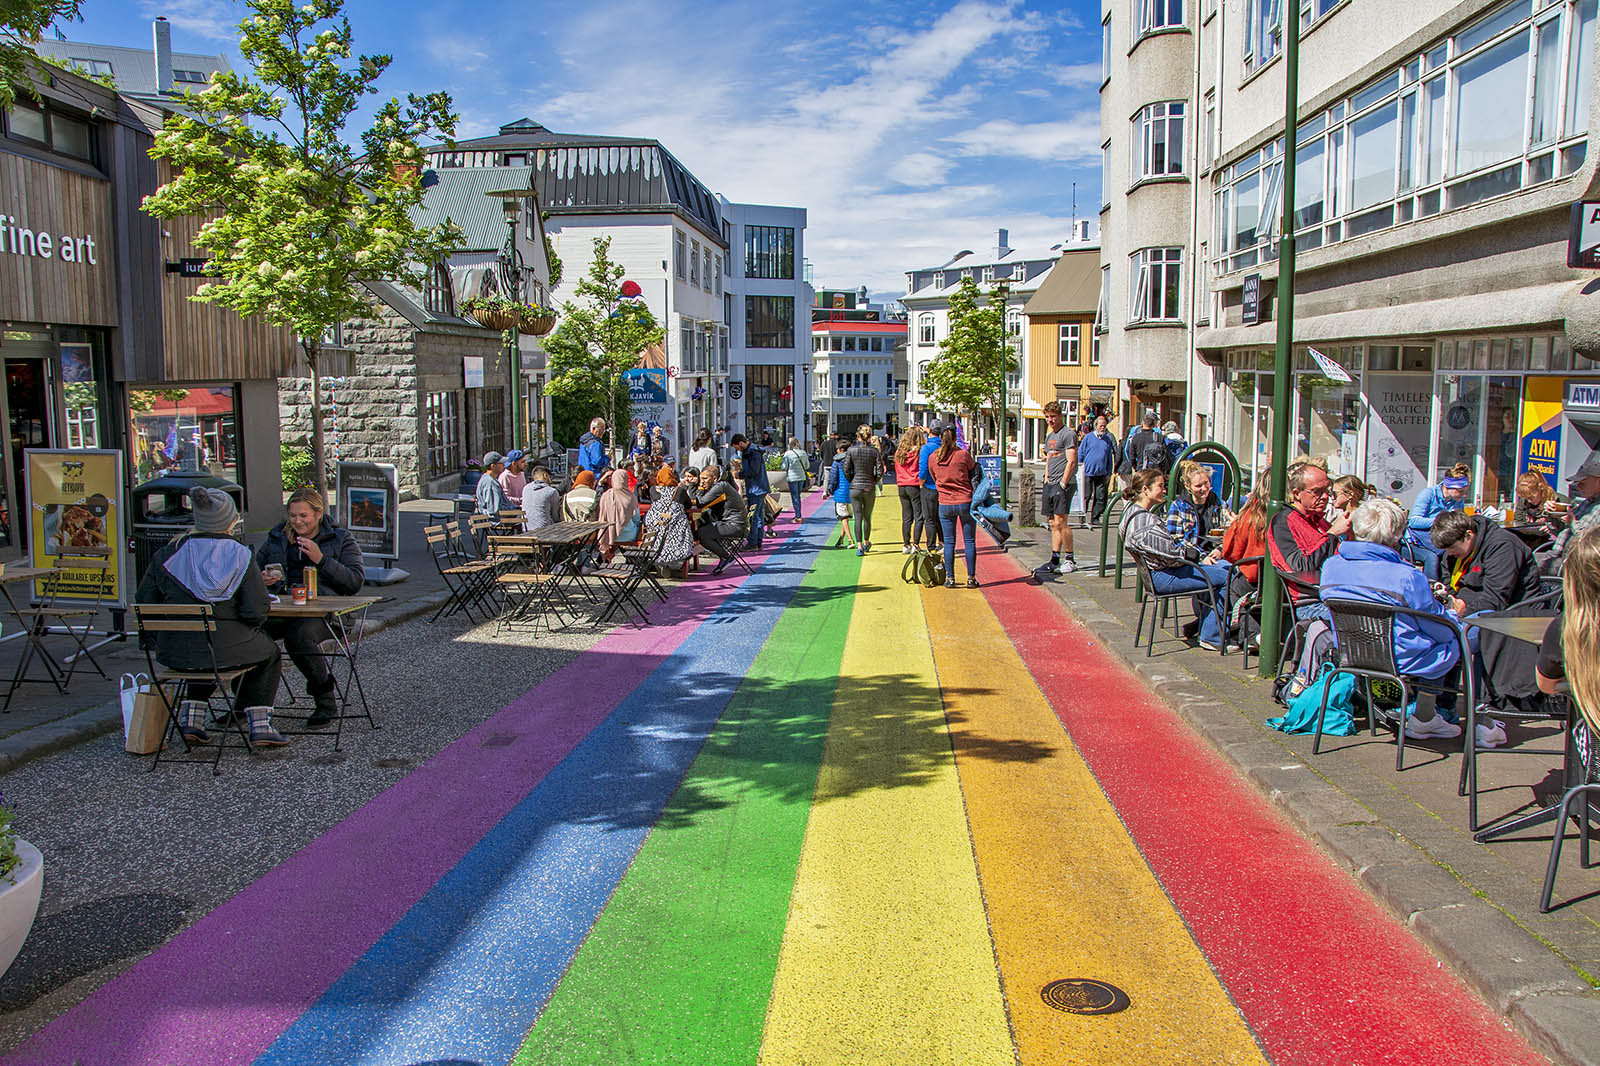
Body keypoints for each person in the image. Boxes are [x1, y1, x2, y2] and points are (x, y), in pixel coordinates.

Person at [136, 486, 287, 747]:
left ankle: (192, 720)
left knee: (203, 649)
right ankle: (260, 724)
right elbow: (255, 610)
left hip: (174, 651)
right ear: (230, 520)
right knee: (268, 652)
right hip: (223, 651)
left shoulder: (167, 553)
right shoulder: (239, 555)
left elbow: (145, 600)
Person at [1320, 498, 1465, 740]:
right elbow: (1439, 629)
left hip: (1351, 652)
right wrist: (1453, 615)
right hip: (1400, 658)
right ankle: (1429, 715)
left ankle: (1422, 714)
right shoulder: (1407, 575)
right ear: (1397, 536)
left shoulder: (1331, 566)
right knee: (1454, 639)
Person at [255, 486, 364, 728]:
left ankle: (325, 700)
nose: (297, 521)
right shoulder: (277, 537)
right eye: (293, 516)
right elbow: (252, 571)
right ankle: (249, 703)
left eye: (303, 516)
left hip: (326, 614)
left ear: (318, 514)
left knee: (299, 636)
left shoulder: (340, 538)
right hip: (284, 608)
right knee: (247, 631)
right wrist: (262, 578)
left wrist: (321, 560)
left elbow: (354, 582)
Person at [1119, 469, 1232, 650]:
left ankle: (1203, 624)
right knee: (1227, 577)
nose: (1165, 490)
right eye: (1161, 486)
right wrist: (1197, 557)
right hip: (1164, 575)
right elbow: (1173, 555)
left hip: (1155, 573)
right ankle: (1212, 635)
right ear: (1146, 490)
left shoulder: (1130, 513)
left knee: (1219, 571)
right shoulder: (1146, 524)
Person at [1268, 462, 1348, 621]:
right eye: (1317, 492)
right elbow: (1300, 567)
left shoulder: (1319, 520)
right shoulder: (1284, 521)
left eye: (1327, 490)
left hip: (1336, 595)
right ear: (1297, 493)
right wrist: (1332, 534)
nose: (1325, 497)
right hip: (1310, 603)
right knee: (1364, 623)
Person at [1431, 509, 1542, 616]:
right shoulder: (1455, 548)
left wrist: (1463, 611)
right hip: (1470, 605)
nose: (1449, 554)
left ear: (1468, 535)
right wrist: (1451, 601)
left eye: (1452, 548)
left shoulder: (1502, 547)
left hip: (1511, 613)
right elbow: (1448, 582)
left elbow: (1495, 599)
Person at [928, 424, 980, 588]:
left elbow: (933, 477)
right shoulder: (963, 455)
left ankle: (950, 578)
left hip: (945, 502)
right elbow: (973, 469)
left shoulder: (933, 457)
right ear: (956, 438)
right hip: (965, 501)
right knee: (969, 541)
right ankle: (971, 578)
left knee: (949, 542)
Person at [1037, 401, 1079, 575]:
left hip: (1063, 483)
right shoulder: (1050, 436)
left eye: (1053, 416)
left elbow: (1072, 460)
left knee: (1062, 521)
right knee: (1053, 523)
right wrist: (1047, 479)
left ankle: (1070, 558)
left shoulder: (1068, 434)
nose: (1050, 420)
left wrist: (1063, 482)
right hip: (1050, 482)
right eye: (1047, 417)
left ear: (1060, 416)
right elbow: (1049, 458)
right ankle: (1054, 558)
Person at [1406, 463, 1470, 580]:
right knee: (1432, 558)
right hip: (1417, 542)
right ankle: (1432, 589)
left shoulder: (1457, 499)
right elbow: (1414, 522)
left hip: (1440, 540)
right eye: (1460, 491)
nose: (1464, 495)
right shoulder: (1428, 494)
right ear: (1448, 486)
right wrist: (1442, 521)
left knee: (1461, 552)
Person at [1546, 453, 1600, 570]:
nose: (1578, 487)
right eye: (1577, 483)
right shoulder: (1587, 503)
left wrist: (1572, 522)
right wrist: (1551, 516)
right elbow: (1559, 532)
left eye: (1582, 483)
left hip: (1575, 563)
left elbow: (1590, 541)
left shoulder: (1597, 508)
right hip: (1558, 553)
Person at [693, 463, 747, 575]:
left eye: (705, 479)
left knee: (701, 534)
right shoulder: (722, 485)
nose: (702, 481)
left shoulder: (720, 486)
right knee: (703, 526)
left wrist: (698, 489)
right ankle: (725, 556)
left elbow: (701, 503)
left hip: (734, 526)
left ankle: (726, 557)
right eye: (700, 479)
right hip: (733, 523)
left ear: (715, 478)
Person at [642, 467, 696, 573]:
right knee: (681, 531)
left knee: (662, 535)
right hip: (675, 525)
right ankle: (673, 563)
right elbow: (688, 505)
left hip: (656, 524)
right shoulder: (679, 491)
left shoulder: (653, 490)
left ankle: (660, 562)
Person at [841, 424, 882, 556]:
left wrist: (851, 479)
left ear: (857, 436)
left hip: (855, 486)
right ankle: (866, 541)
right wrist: (874, 480)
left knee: (857, 517)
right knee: (867, 517)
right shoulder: (874, 451)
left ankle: (859, 546)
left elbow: (845, 468)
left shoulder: (851, 451)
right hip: (869, 485)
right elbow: (880, 471)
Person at [894, 426, 929, 553]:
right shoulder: (919, 451)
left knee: (906, 516)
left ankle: (906, 544)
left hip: (902, 485)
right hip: (914, 484)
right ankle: (916, 544)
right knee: (919, 516)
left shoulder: (900, 452)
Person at [1079, 414, 1118, 526]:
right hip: (1087, 472)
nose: (1102, 428)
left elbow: (1109, 457)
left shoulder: (1107, 439)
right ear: (1095, 426)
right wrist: (1079, 467)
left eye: (1104, 426)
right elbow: (1081, 453)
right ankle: (1082, 517)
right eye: (1101, 426)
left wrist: (1109, 472)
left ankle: (1095, 518)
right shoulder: (1088, 438)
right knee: (1086, 496)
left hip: (1102, 472)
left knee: (1100, 497)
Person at [730, 433, 768, 549]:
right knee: (759, 516)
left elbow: (754, 471)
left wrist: (740, 474)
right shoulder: (754, 451)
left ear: (740, 443)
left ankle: (753, 542)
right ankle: (757, 541)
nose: (738, 451)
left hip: (755, 488)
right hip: (759, 487)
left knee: (753, 516)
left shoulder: (752, 453)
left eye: (737, 447)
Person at [596, 469, 640, 559]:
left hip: (607, 534)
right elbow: (637, 519)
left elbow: (602, 516)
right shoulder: (631, 497)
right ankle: (630, 559)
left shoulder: (606, 495)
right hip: (628, 535)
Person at [1515, 471, 1568, 541]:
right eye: (1525, 497)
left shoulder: (1559, 501)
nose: (1529, 501)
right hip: (1531, 537)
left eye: (1531, 497)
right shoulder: (1524, 500)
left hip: (1554, 540)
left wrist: (1551, 528)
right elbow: (1517, 522)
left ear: (1540, 489)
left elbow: (1568, 527)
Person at [917, 421, 944, 551]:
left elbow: (923, 469)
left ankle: (931, 546)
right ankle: (944, 543)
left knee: (930, 518)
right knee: (941, 517)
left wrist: (921, 483)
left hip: (929, 486)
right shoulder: (945, 446)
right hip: (943, 486)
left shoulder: (926, 448)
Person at [826, 441, 857, 549]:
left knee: (843, 517)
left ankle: (850, 539)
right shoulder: (853, 460)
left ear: (840, 450)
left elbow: (833, 478)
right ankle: (841, 539)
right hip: (852, 492)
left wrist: (830, 489)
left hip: (840, 492)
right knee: (846, 517)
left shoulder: (837, 462)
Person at [1121, 412, 1169, 477]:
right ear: (1154, 424)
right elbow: (1165, 454)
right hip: (1155, 471)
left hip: (1141, 470)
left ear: (1143, 423)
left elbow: (1131, 454)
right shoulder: (1159, 437)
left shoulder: (1136, 437)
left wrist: (1136, 467)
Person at [521, 465, 560, 530]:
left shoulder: (526, 488)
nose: (551, 481)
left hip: (527, 530)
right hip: (546, 532)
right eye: (550, 477)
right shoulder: (551, 491)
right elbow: (555, 516)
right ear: (545, 476)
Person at [475, 451, 511, 517]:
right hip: (498, 521)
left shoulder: (491, 479)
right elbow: (493, 509)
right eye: (501, 463)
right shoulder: (490, 482)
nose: (504, 465)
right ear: (493, 466)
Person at [781, 437, 808, 521]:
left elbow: (784, 467)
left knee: (795, 496)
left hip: (792, 477)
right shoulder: (803, 452)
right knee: (797, 495)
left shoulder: (788, 453)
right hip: (801, 476)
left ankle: (798, 515)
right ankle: (798, 513)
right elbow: (807, 466)